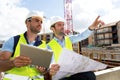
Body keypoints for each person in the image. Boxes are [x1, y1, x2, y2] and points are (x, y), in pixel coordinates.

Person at [0, 11, 59, 80]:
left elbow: (47, 73)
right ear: (27, 22)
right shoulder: (13, 41)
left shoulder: (45, 46)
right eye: (37, 20)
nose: (40, 24)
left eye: (41, 22)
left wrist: (43, 71)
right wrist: (13, 63)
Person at [47, 16, 104, 80]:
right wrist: (51, 69)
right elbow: (49, 65)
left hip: (71, 73)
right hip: (60, 77)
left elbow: (81, 36)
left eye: (63, 25)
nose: (62, 27)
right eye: (59, 25)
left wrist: (91, 27)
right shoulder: (49, 46)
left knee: (90, 75)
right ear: (52, 28)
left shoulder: (69, 39)